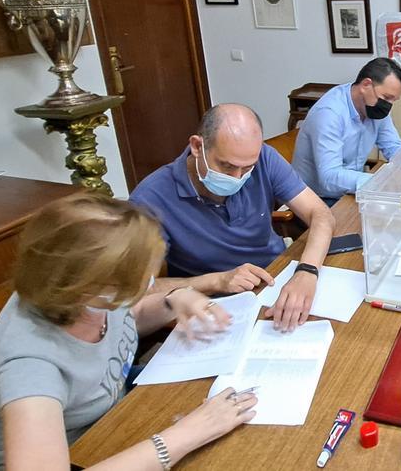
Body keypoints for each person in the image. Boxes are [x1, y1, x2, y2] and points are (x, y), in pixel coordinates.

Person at [0, 194, 256, 470]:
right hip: (74, 452)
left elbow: (127, 318)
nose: (150, 284)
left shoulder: (82, 295)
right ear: (89, 288)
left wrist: (172, 300)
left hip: (109, 413)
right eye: (143, 279)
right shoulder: (30, 367)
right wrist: (186, 435)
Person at [130, 104, 335, 331]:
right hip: (218, 305)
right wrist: (218, 281)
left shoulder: (264, 157)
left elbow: (321, 215)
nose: (238, 178)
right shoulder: (150, 199)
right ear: (197, 146)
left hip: (279, 276)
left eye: (248, 168)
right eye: (227, 166)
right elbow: (139, 292)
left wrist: (307, 272)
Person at [294, 58, 401, 205]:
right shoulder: (330, 114)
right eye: (386, 98)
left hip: (351, 189)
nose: (389, 106)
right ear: (366, 85)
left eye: (394, 100)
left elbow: (393, 147)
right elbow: (329, 178)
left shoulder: (374, 108)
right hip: (317, 198)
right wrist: (382, 182)